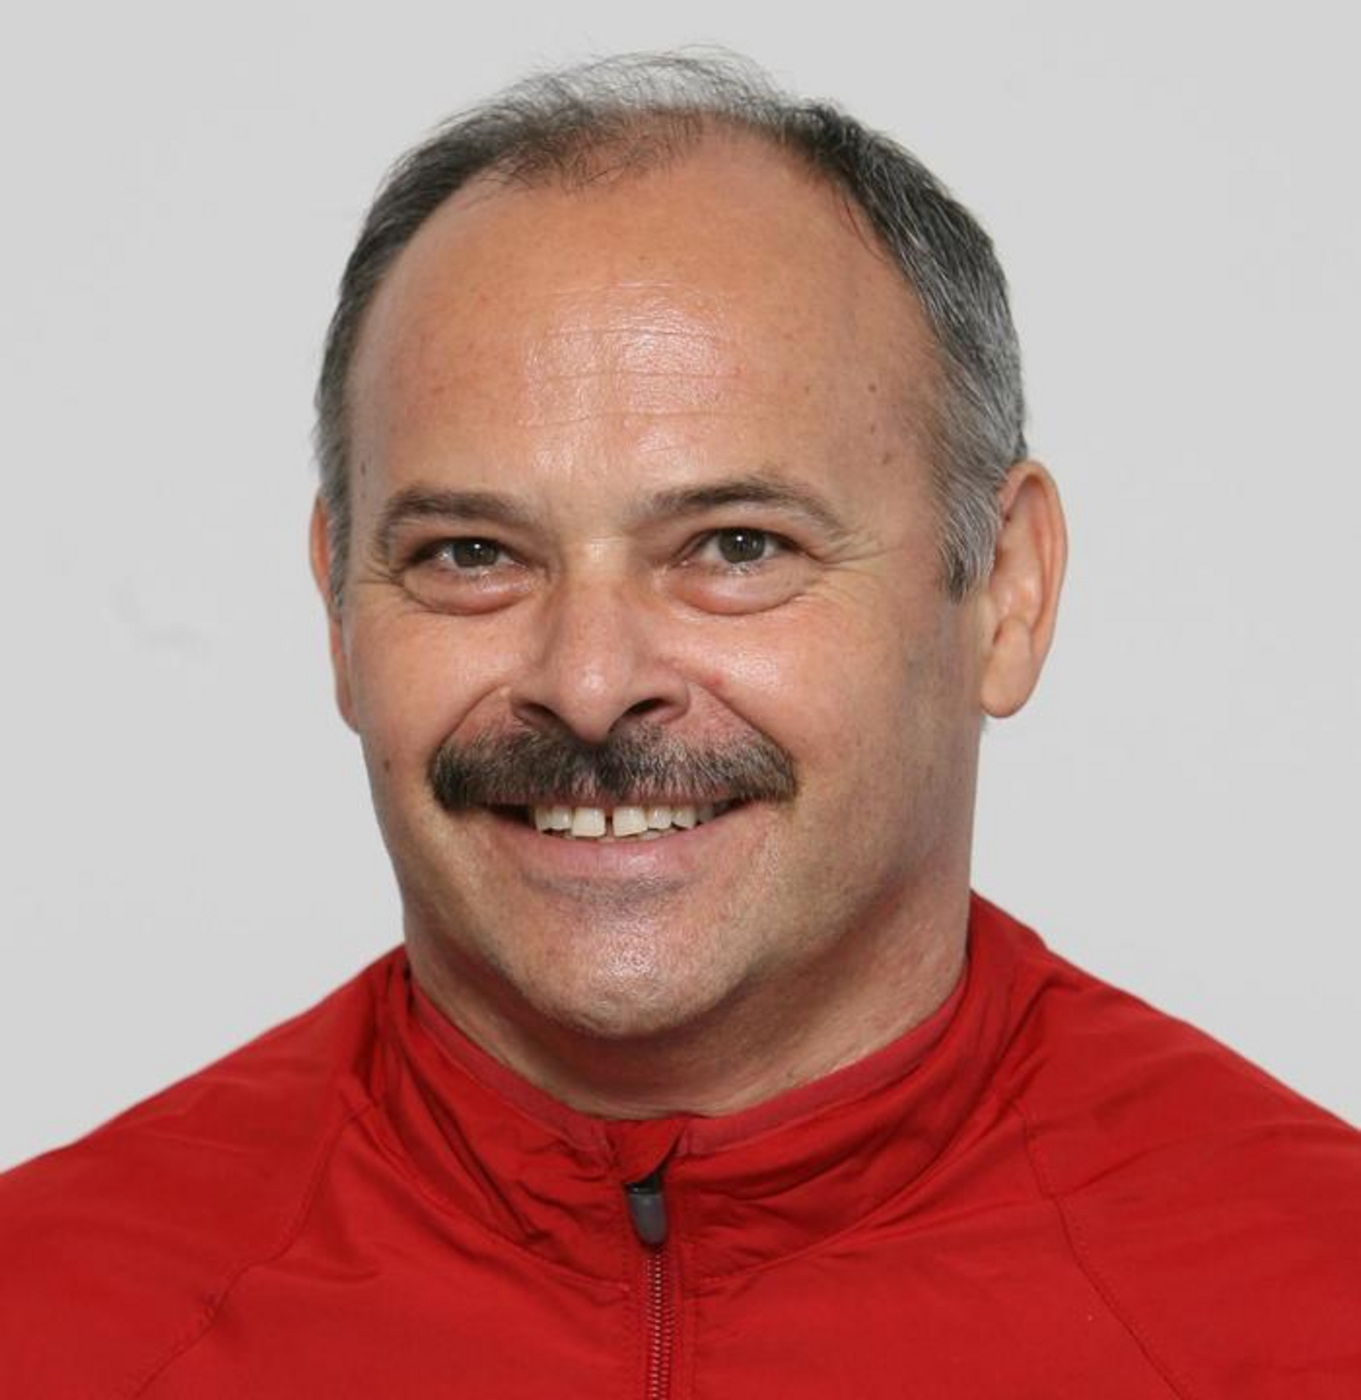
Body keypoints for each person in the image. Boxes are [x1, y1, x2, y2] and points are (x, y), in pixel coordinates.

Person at [2, 52, 1356, 1397]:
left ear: (1005, 592)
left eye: (736, 545)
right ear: (339, 612)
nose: (590, 683)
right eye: (471, 555)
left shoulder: (1317, 1309)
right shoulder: (50, 1320)